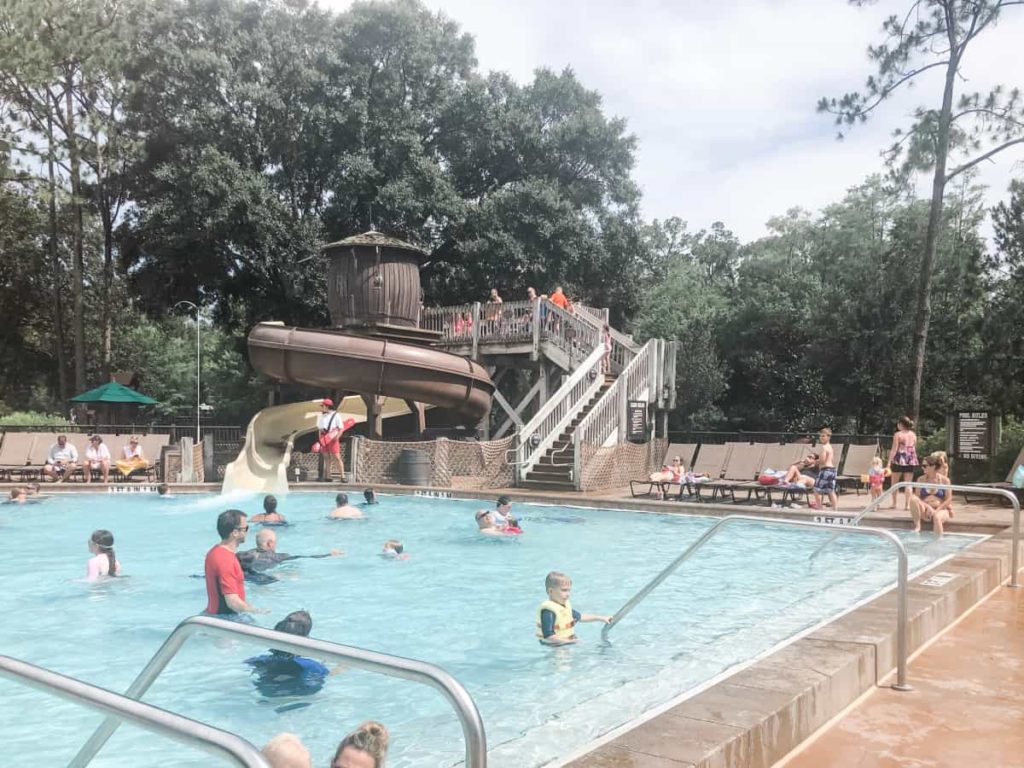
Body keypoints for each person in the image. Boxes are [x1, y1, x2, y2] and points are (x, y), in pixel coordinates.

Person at [245, 610, 330, 699]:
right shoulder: (313, 666)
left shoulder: (257, 661)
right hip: (298, 699)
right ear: (306, 641)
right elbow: (328, 675)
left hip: (265, 696)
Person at [204, 509, 261, 616]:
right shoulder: (225, 560)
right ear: (235, 533)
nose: (247, 532)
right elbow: (232, 602)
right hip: (226, 619)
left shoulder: (214, 552)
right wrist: (257, 611)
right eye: (246, 528)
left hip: (213, 614)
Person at [536, 571, 611, 646]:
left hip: (565, 641)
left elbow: (580, 617)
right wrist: (569, 641)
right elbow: (549, 636)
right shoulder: (548, 611)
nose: (568, 594)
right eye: (564, 590)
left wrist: (601, 618)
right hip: (553, 645)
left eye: (569, 590)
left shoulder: (563, 607)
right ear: (551, 591)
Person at [237, 528, 342, 578]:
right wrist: (329, 554)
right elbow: (304, 557)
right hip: (264, 581)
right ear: (269, 543)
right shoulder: (278, 557)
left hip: (247, 578)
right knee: (294, 574)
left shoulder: (245, 555)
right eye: (275, 542)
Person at [909, 454, 954, 535]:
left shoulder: (945, 480)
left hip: (940, 509)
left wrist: (936, 510)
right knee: (913, 499)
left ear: (933, 466)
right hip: (925, 510)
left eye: (924, 465)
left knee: (937, 518)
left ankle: (938, 542)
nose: (922, 467)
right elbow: (917, 497)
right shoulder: (921, 479)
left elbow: (948, 499)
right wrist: (928, 507)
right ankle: (917, 526)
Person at [887, 416, 919, 511]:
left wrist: (889, 462)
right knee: (908, 483)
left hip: (899, 459)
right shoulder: (913, 435)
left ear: (901, 424)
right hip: (910, 459)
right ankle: (907, 505)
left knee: (894, 483)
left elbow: (894, 449)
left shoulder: (898, 434)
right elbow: (913, 448)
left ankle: (894, 503)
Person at [316, 399, 350, 483]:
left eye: (323, 406)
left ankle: (342, 476)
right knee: (326, 457)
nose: (322, 407)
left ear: (327, 406)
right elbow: (320, 429)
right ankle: (328, 476)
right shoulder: (322, 416)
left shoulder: (336, 415)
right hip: (324, 438)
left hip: (333, 438)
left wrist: (337, 437)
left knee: (337, 457)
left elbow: (341, 428)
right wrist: (320, 440)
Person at [811, 428, 839, 512]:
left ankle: (820, 508)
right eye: (820, 436)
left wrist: (814, 461)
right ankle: (835, 509)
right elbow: (832, 459)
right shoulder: (830, 447)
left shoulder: (824, 447)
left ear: (828, 437)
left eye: (823, 436)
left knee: (816, 490)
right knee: (831, 491)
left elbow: (822, 461)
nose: (821, 438)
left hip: (825, 470)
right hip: (832, 471)